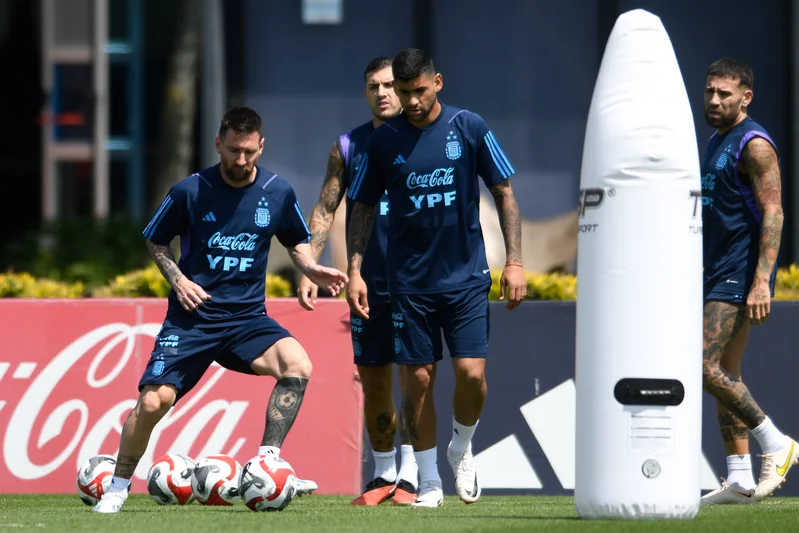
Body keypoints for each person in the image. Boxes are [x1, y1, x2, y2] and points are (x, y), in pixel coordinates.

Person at [92, 106, 348, 513]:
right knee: (153, 402)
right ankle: (119, 486)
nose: (241, 160)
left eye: (249, 152)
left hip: (247, 320)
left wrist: (312, 268)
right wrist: (178, 280)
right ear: (218, 144)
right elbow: (157, 242)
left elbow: (295, 242)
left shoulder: (277, 192)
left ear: (261, 146)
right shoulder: (189, 191)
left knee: (298, 365)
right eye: (233, 151)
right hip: (192, 320)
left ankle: (267, 460)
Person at [345, 48, 526, 508]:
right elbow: (361, 206)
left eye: (418, 91)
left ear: (437, 82)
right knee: (418, 382)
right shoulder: (384, 141)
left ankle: (461, 447)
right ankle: (427, 481)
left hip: (465, 278)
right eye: (403, 93)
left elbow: (504, 192)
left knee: (471, 374)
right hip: (408, 284)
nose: (410, 101)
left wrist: (515, 260)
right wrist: (354, 270)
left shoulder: (469, 127)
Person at [296, 56, 419, 506]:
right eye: (374, 86)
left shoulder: (425, 135)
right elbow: (327, 207)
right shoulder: (348, 146)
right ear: (365, 92)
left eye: (390, 84)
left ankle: (412, 474)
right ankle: (382, 474)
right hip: (366, 283)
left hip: (418, 282)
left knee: (416, 378)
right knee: (374, 380)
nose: (383, 92)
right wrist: (310, 261)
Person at [698, 58, 799, 505]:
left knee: (701, 365)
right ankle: (738, 479)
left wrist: (762, 280)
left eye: (725, 93)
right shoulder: (716, 140)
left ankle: (776, 442)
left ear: (746, 97)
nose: (715, 100)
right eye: (710, 91)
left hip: (739, 273)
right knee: (725, 374)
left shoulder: (754, 144)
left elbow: (774, 211)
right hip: (715, 270)